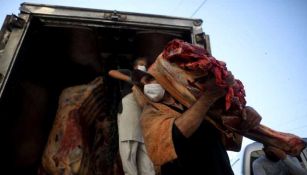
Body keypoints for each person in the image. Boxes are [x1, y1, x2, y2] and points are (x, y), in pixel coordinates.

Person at [131, 70, 262, 175]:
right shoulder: (150, 114)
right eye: (142, 85)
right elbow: (174, 137)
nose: (146, 86)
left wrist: (244, 113)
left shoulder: (194, 100)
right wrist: (208, 98)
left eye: (149, 79)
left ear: (164, 75)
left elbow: (232, 142)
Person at [108, 57, 155, 175]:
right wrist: (130, 79)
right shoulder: (130, 73)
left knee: (145, 156)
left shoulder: (149, 79)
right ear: (134, 67)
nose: (142, 66)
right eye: (140, 64)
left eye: (145, 65)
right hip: (129, 112)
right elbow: (111, 72)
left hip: (143, 117)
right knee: (129, 150)